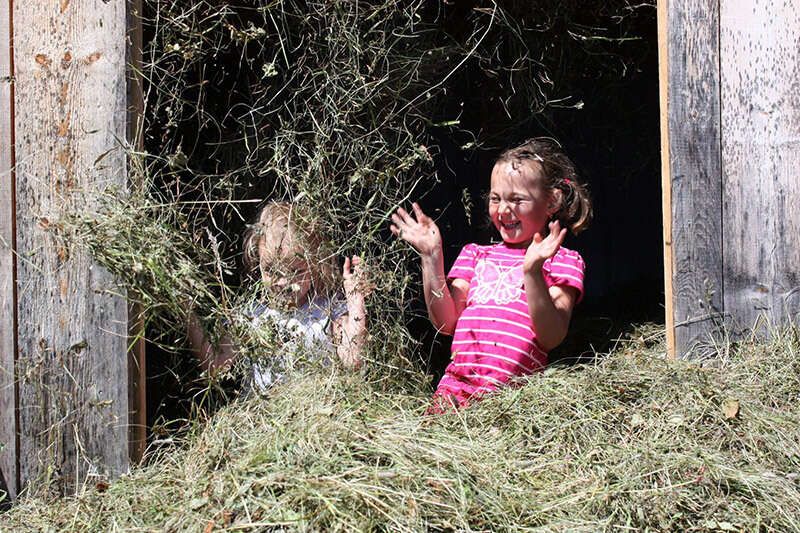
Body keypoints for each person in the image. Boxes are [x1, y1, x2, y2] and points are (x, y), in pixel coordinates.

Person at [390, 138, 592, 409]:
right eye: (496, 199)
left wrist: (532, 272)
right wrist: (431, 258)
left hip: (515, 402)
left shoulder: (563, 261)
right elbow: (446, 323)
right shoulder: (476, 255)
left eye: (517, 199)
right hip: (456, 393)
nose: (504, 210)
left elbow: (551, 336)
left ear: (552, 200)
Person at [187, 201, 369, 391]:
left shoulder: (328, 310)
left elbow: (352, 358)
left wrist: (356, 298)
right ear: (257, 263)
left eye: (294, 271)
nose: (282, 282)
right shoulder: (251, 315)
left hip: (317, 412)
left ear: (313, 266)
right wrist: (187, 310)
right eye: (271, 270)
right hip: (263, 416)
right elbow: (216, 366)